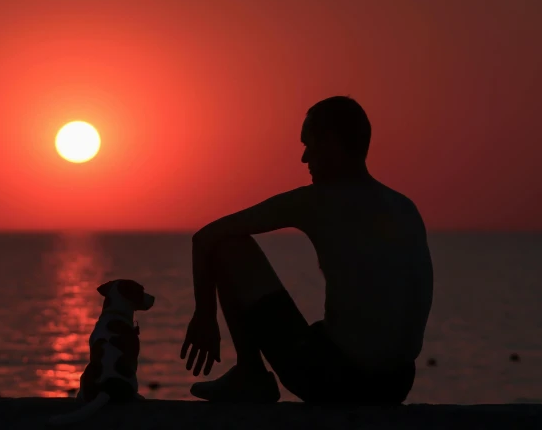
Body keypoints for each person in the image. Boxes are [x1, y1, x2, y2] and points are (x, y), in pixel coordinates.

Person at [180, 96, 433, 405]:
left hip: (337, 381)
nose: (304, 158)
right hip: (396, 385)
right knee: (322, 336)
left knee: (228, 245)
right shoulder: (404, 207)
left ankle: (251, 375)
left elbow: (206, 237)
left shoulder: (318, 201)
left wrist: (205, 316)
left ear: (330, 143)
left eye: (308, 144)